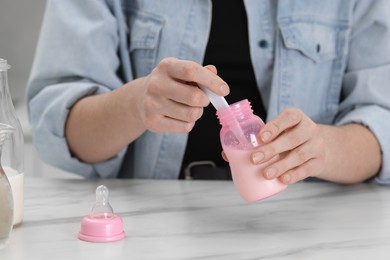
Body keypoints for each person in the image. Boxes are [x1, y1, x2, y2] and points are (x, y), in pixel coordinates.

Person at [27, 0, 390, 185]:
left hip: (311, 226)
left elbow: (383, 121)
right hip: (153, 230)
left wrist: (323, 149)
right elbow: (56, 127)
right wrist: (137, 105)